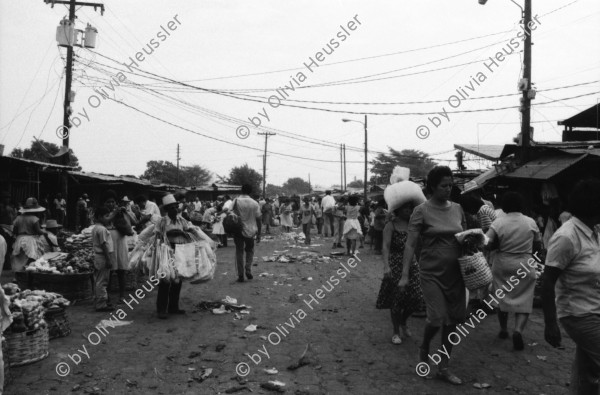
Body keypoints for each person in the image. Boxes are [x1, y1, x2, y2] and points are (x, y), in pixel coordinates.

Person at [401, 166, 466, 385]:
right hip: (430, 273)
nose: (448, 189)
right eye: (443, 186)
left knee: (453, 322)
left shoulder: (458, 208)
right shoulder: (421, 211)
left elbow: (464, 237)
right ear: (431, 187)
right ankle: (425, 346)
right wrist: (404, 274)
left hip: (456, 274)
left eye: (450, 185)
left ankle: (444, 367)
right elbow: (410, 244)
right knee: (437, 318)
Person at [542, 179, 600, 395]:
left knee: (587, 374)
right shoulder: (567, 236)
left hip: (594, 308)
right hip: (578, 314)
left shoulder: (594, 231)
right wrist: (550, 324)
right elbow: (547, 282)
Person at [485, 192, 542, 350]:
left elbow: (487, 242)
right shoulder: (531, 222)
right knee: (524, 298)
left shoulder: (499, 222)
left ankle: (503, 329)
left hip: (503, 263)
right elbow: (538, 245)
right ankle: (518, 330)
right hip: (525, 263)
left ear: (504, 205)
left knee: (502, 298)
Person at [378, 179, 427, 345]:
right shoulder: (390, 226)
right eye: (406, 208)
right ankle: (396, 331)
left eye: (410, 208)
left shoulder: (414, 225)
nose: (409, 211)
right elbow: (385, 247)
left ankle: (404, 321)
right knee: (396, 300)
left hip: (412, 264)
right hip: (395, 264)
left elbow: (419, 245)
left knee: (417, 298)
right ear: (399, 210)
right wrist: (386, 266)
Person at [155, 194, 204, 319]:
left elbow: (190, 231)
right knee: (165, 279)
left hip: (180, 250)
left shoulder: (182, 220)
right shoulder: (162, 222)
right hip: (166, 251)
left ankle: (173, 307)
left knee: (178, 279)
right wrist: (169, 233)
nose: (174, 210)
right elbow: (157, 237)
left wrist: (185, 233)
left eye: (176, 207)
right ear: (166, 209)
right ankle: (161, 309)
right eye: (171, 208)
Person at [102, 190, 131, 304]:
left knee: (121, 270)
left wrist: (125, 213)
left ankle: (122, 296)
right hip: (109, 243)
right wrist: (114, 213)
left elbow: (131, 224)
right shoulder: (103, 213)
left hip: (121, 242)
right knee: (109, 271)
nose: (111, 204)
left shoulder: (121, 212)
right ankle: (107, 296)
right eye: (108, 202)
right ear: (104, 204)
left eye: (113, 202)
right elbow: (105, 221)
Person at [231, 184, 261, 282]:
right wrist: (259, 233)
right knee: (250, 250)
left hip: (238, 229)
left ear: (241, 190)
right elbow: (258, 218)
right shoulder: (254, 203)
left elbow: (230, 213)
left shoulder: (236, 201)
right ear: (250, 191)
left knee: (239, 252)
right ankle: (248, 269)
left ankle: (240, 275)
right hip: (251, 230)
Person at [11, 198, 48, 272]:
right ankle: (27, 273)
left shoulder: (18, 218)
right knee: (30, 258)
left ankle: (18, 273)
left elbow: (14, 231)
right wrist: (44, 232)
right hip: (30, 240)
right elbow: (38, 231)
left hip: (19, 239)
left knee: (20, 258)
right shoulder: (34, 218)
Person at [92, 206, 115, 312]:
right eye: (106, 216)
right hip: (103, 257)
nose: (108, 218)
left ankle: (100, 301)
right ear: (100, 217)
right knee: (103, 281)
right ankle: (101, 304)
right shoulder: (101, 229)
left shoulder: (96, 228)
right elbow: (104, 244)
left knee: (99, 280)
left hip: (98, 256)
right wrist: (108, 259)